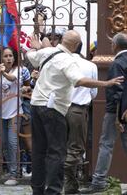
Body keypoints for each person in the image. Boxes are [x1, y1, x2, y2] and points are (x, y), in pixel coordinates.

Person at [27, 30, 123, 195]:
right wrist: (106, 84)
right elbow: (80, 81)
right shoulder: (68, 61)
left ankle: (37, 189)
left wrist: (37, 47)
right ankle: (53, 191)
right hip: (54, 108)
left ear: (62, 40)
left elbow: (30, 55)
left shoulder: (48, 52)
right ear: (78, 45)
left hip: (36, 105)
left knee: (39, 150)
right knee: (57, 152)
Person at [81, 32, 127, 194]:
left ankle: (99, 181)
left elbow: (116, 91)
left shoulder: (117, 63)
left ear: (115, 45)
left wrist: (116, 117)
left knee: (106, 144)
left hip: (117, 111)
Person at [0, 47, 29, 185]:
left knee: (13, 142)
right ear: (1, 59)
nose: (9, 58)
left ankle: (14, 174)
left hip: (15, 112)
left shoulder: (19, 70)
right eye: (6, 56)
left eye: (11, 56)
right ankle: (11, 168)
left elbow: (11, 79)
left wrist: (3, 73)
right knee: (3, 143)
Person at [63, 43, 98, 194]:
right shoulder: (89, 65)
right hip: (78, 109)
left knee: (61, 146)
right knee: (76, 148)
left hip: (60, 108)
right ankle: (67, 179)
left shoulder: (61, 63)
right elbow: (94, 93)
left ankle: (68, 184)